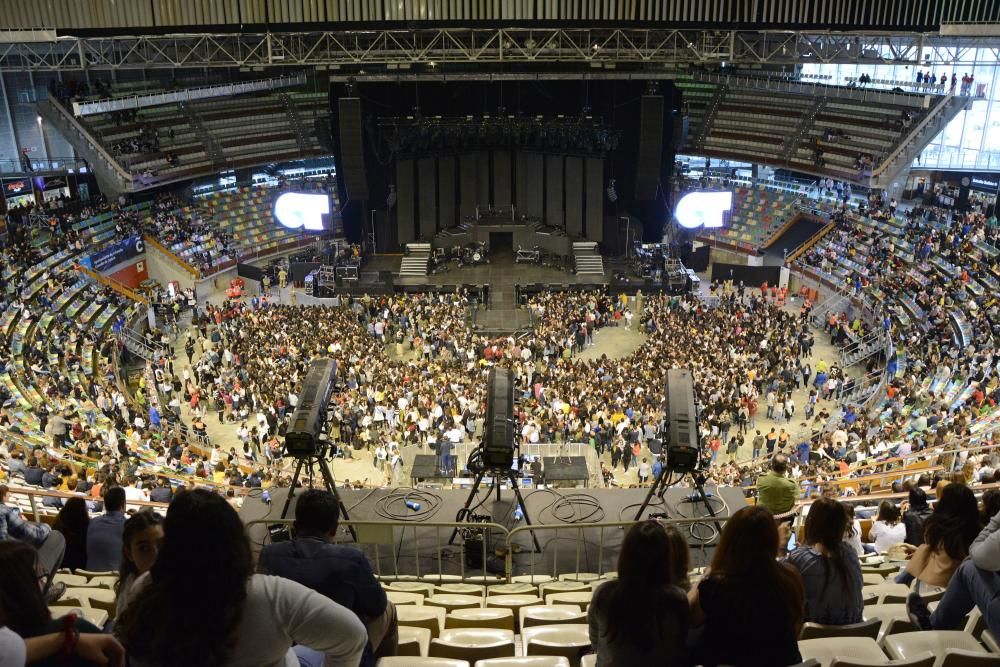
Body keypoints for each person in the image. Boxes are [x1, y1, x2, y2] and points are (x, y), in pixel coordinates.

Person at [115, 489, 367, 667]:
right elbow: (353, 635)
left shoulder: (142, 590)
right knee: (312, 648)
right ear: (237, 540)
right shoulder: (270, 595)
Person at [257, 489, 396, 665]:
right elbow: (377, 606)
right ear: (335, 529)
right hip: (338, 650)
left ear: (295, 526)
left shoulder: (268, 555)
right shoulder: (351, 559)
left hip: (283, 649)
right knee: (388, 608)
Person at [689, 506, 804, 667]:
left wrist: (707, 573)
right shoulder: (791, 578)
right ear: (772, 540)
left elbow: (691, 618)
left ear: (729, 540)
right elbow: (795, 627)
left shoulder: (715, 586)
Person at [0, 540, 120, 666]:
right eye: (40, 575)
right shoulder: (77, 629)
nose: (45, 582)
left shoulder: (12, 644)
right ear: (29, 587)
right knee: (112, 625)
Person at [587, 521, 689, 666]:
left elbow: (596, 643)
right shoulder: (677, 598)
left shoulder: (604, 594)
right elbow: (680, 645)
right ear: (666, 557)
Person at [908, 501, 1000, 638]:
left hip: (936, 581)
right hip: (945, 582)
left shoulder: (934, 526)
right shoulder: (975, 526)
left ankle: (933, 625)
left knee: (968, 567)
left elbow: (978, 553)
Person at [785, 498, 864, 625]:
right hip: (856, 634)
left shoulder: (799, 558)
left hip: (813, 638)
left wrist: (779, 545)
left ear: (811, 523)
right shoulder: (851, 553)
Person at [898, 483, 981, 590]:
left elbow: (939, 553)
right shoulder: (978, 530)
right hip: (962, 587)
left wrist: (919, 550)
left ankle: (896, 584)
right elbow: (944, 554)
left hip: (933, 584)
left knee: (924, 549)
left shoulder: (934, 525)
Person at [0, 485, 65, 593]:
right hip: (7, 567)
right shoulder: (3, 511)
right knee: (57, 536)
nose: (10, 494)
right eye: (8, 493)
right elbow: (35, 536)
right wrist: (46, 526)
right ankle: (39, 589)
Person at [115, 512, 164, 617]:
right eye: (144, 548)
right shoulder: (129, 591)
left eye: (162, 546)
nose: (156, 555)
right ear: (129, 554)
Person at [86, 487, 126, 572]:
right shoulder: (129, 526)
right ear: (123, 505)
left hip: (89, 576)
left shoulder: (93, 522)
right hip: (115, 579)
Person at [52, 497, 90, 572]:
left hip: (58, 568)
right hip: (80, 569)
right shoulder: (87, 529)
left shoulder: (57, 525)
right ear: (83, 511)